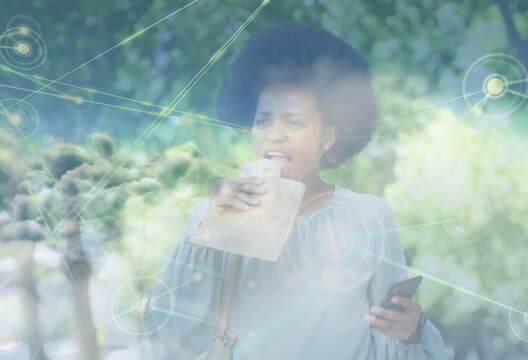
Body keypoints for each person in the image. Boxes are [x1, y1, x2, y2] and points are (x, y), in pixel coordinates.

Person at [144, 22, 447, 359]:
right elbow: (171, 336)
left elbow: (391, 338)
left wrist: (411, 330)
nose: (274, 134)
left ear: (328, 136)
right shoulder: (214, 212)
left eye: (295, 122)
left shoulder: (370, 217)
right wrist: (212, 228)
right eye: (263, 120)